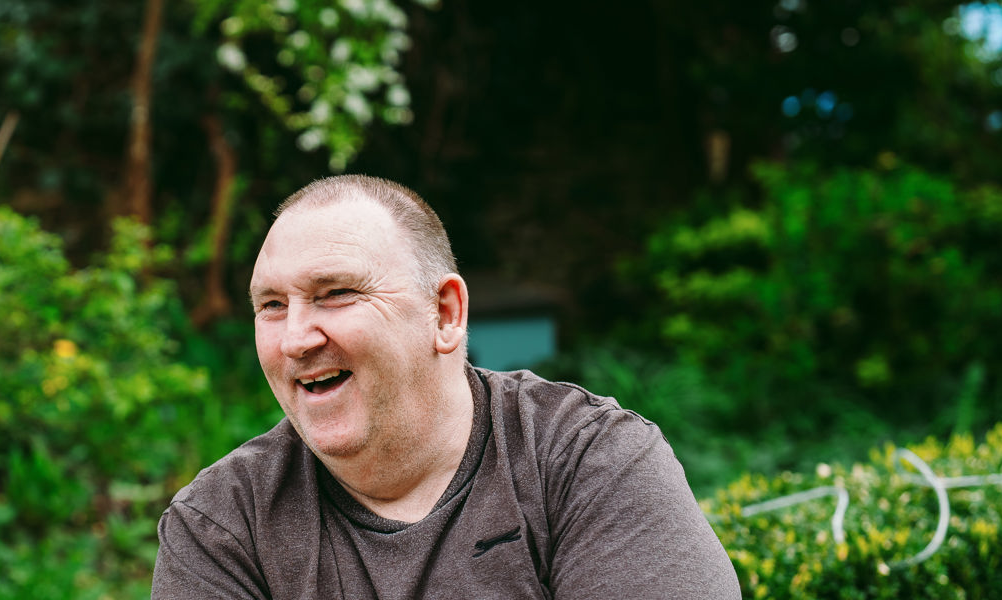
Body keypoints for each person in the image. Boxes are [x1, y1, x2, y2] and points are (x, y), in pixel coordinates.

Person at [151, 175, 739, 598]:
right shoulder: (222, 526)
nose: (296, 337)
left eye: (336, 293)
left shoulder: (586, 460)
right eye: (272, 305)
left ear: (445, 313)